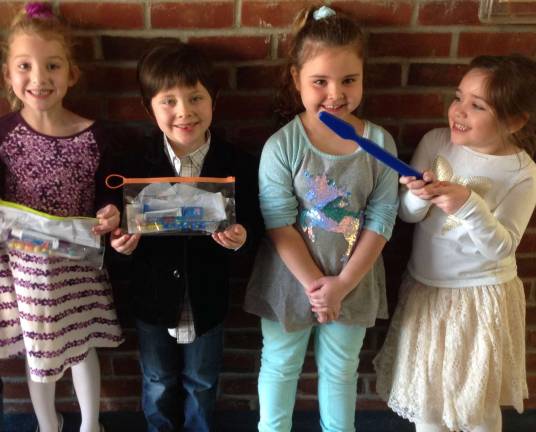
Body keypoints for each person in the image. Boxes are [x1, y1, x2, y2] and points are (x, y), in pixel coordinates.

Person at [244, 5, 399, 432]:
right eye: (320, 81)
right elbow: (277, 220)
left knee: (340, 370)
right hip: (290, 281)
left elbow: (383, 215)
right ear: (296, 80)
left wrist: (343, 285)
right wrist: (318, 287)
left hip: (355, 279)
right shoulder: (283, 146)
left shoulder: (378, 144)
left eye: (349, 80)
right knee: (280, 365)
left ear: (363, 76)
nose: (336, 93)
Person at [373, 54, 536, 432]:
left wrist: (469, 205)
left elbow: (502, 246)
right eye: (458, 97)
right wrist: (417, 195)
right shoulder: (436, 142)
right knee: (428, 401)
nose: (458, 111)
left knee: (475, 406)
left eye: (476, 106)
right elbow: (408, 215)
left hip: (479, 298)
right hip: (428, 292)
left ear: (514, 121)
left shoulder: (522, 172)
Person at [109, 41, 261, 432]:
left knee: (203, 381)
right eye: (169, 101)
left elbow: (256, 224)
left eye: (195, 97)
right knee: (158, 381)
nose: (184, 112)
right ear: (149, 108)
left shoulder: (237, 163)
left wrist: (241, 237)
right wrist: (120, 244)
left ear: (214, 101)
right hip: (153, 297)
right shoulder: (131, 164)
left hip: (207, 297)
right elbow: (113, 227)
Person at [0, 2, 124, 432]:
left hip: (79, 259)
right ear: (9, 75)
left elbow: (111, 194)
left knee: (82, 341)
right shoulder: (3, 135)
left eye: (52, 65)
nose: (39, 78)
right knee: (41, 351)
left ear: (71, 74)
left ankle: (92, 424)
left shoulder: (96, 134)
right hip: (27, 265)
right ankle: (47, 425)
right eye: (25, 66)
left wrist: (112, 213)